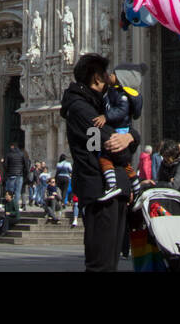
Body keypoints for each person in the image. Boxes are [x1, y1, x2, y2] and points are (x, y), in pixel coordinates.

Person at [60, 52, 140, 272]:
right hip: (98, 191)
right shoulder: (81, 108)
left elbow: (112, 140)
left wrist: (131, 136)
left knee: (109, 261)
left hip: (112, 189)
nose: (110, 79)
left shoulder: (97, 105)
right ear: (96, 77)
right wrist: (128, 141)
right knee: (101, 263)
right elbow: (103, 146)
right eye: (106, 74)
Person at [94, 66, 142, 201]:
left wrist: (131, 136)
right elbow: (91, 142)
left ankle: (116, 186)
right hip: (98, 186)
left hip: (110, 187)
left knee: (111, 159)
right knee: (121, 162)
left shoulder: (114, 97)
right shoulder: (89, 108)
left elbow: (93, 141)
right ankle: (134, 187)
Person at [3, 142, 29, 211]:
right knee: (18, 191)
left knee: (10, 191)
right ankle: (15, 206)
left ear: (12, 147)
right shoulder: (21, 154)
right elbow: (26, 165)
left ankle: (9, 205)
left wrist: (8, 171)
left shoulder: (8, 154)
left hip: (11, 175)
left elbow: (5, 165)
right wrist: (25, 173)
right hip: (19, 175)